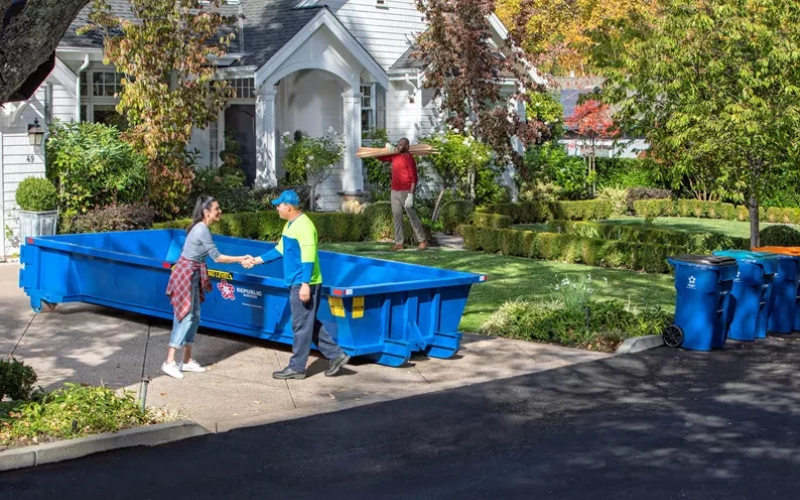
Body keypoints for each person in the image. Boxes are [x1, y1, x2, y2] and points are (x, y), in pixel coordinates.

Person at [242, 189, 350, 380]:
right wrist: (256, 260)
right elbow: (280, 249)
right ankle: (336, 355)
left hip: (304, 282)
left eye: (279, 205)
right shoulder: (290, 225)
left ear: (289, 206)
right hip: (297, 282)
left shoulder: (304, 226)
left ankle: (297, 367)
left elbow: (308, 258)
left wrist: (305, 284)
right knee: (307, 322)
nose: (277, 208)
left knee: (300, 325)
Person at [162, 196, 251, 380]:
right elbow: (217, 258)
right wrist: (241, 258)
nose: (220, 212)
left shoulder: (201, 227)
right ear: (206, 212)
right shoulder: (201, 229)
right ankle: (169, 362)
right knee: (184, 316)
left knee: (194, 317)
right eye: (217, 208)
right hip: (186, 275)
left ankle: (185, 361)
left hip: (192, 274)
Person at [377, 137, 428, 251]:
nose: (399, 146)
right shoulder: (394, 155)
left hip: (406, 192)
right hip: (394, 191)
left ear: (407, 147)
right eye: (398, 144)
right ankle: (399, 243)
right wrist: (386, 147)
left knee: (412, 216)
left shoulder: (409, 158)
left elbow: (414, 178)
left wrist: (411, 195)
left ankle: (422, 240)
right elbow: (379, 157)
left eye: (401, 145)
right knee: (397, 217)